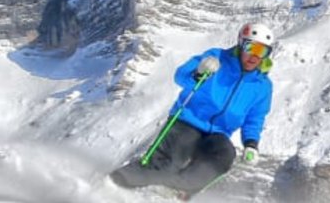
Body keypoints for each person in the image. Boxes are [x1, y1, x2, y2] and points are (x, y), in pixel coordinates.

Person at [110, 23, 276, 193]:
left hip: (218, 134)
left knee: (224, 155)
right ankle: (113, 183)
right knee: (166, 163)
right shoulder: (216, 58)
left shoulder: (263, 86)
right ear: (241, 44)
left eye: (262, 51)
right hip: (188, 121)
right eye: (251, 47)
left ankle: (176, 191)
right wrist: (199, 72)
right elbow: (180, 75)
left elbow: (254, 118)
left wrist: (251, 144)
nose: (255, 56)